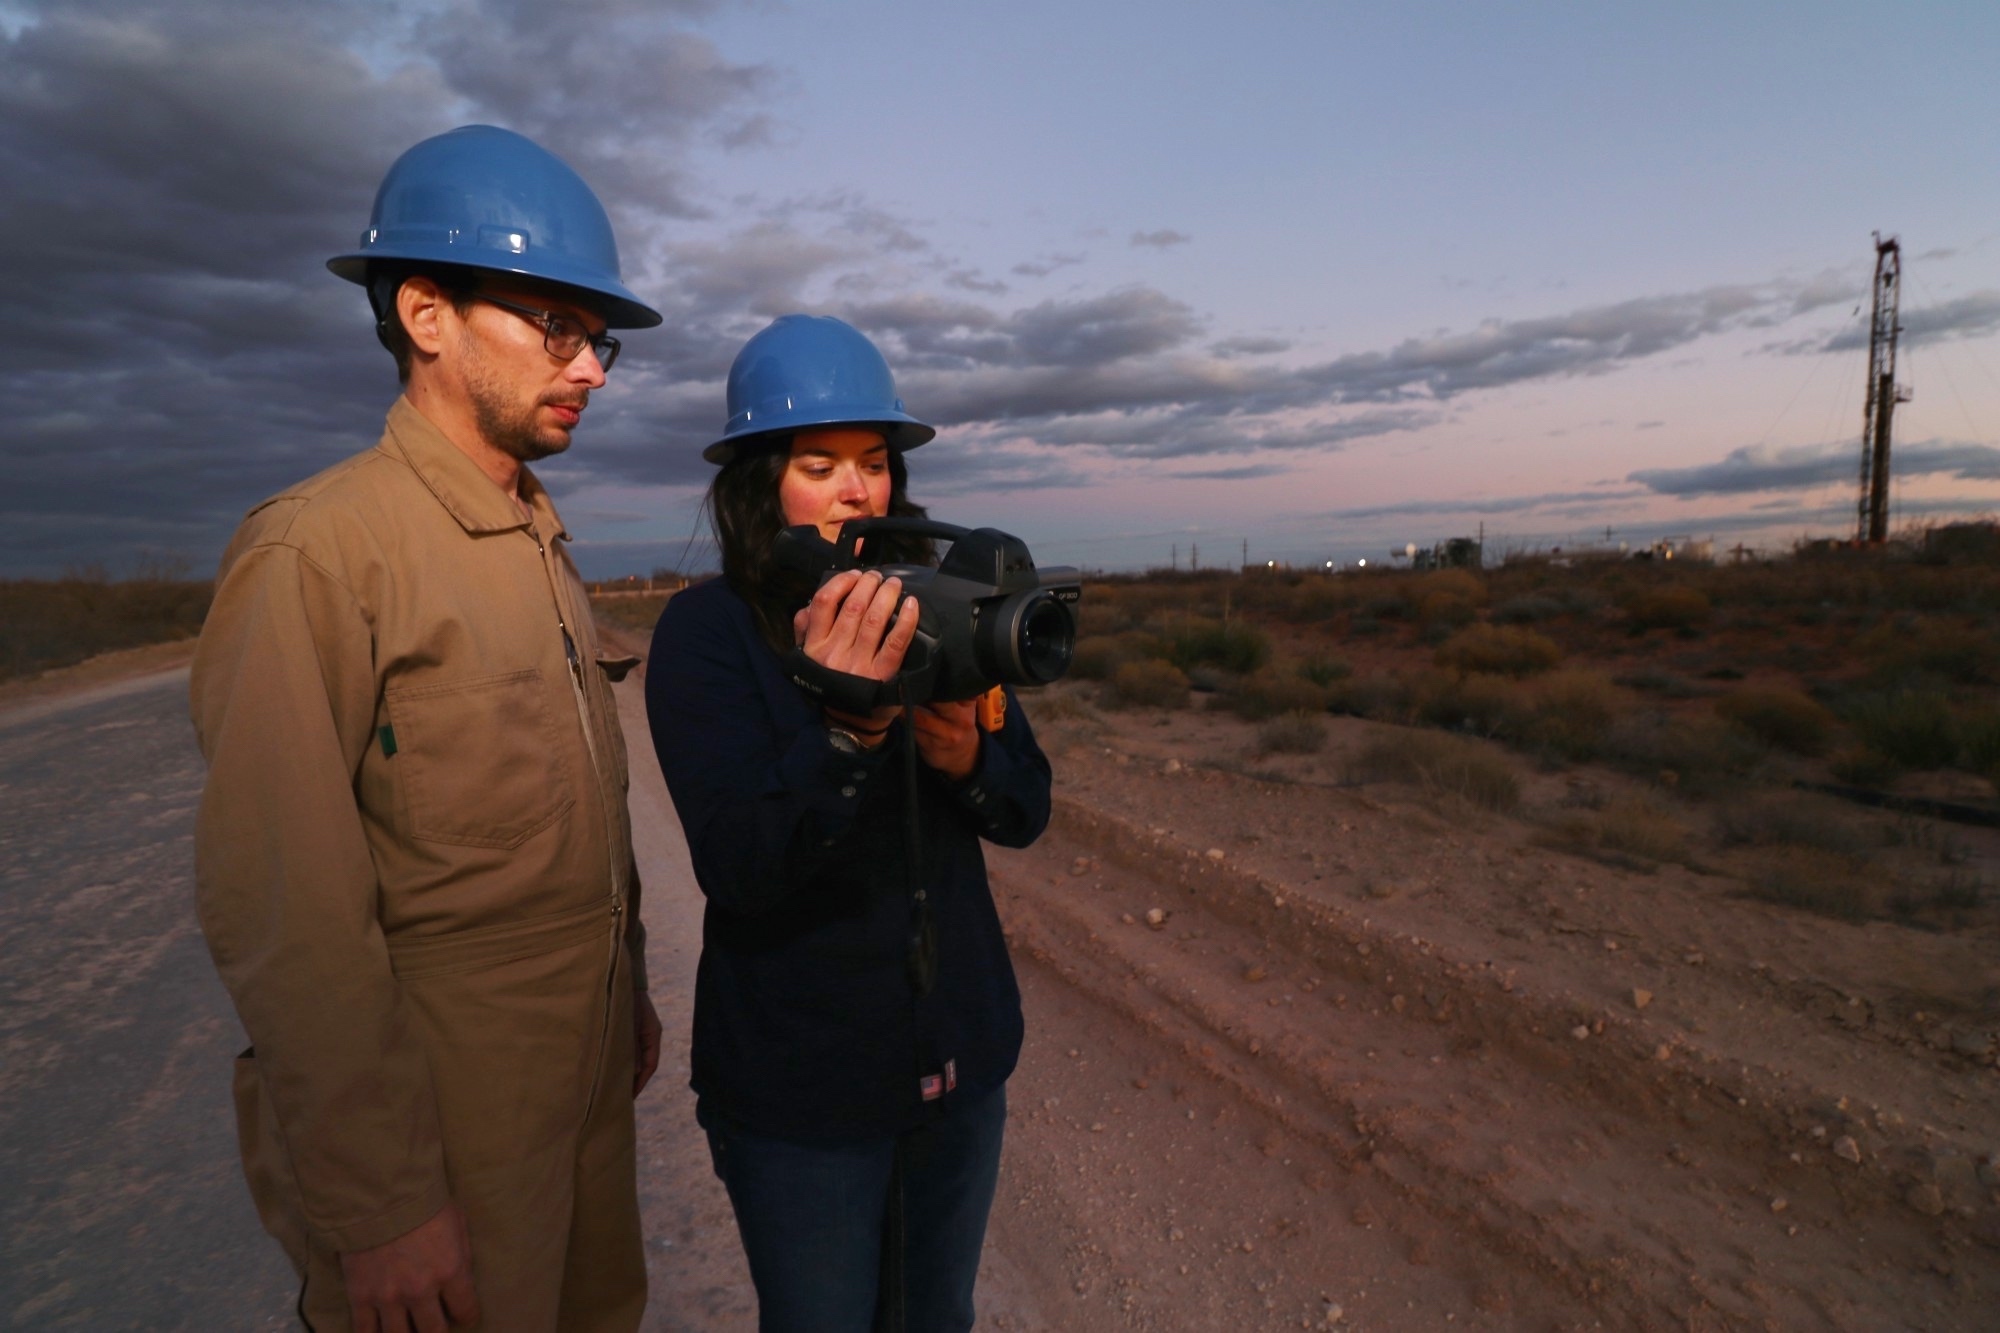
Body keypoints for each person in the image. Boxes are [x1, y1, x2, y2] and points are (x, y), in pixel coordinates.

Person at [190, 125, 663, 1332]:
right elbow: (285, 911)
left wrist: (632, 995)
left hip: (584, 1112)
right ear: (425, 312)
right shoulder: (320, 552)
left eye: (596, 338)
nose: (592, 368)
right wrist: (382, 1202)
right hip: (448, 1147)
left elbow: (579, 830)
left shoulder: (538, 542)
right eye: (555, 327)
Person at [644, 314, 1052, 1332]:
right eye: (817, 462)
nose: (856, 488)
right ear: (757, 482)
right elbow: (739, 865)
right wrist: (849, 728)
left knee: (933, 1317)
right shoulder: (709, 634)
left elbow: (1027, 806)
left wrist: (961, 752)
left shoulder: (937, 610)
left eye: (871, 462)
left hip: (957, 1062)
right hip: (800, 1095)